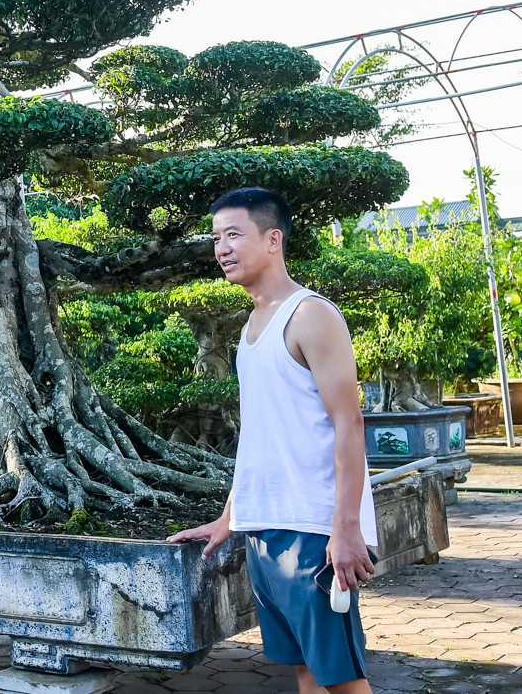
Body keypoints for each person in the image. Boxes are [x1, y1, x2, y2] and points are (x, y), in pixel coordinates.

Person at [169, 187, 379, 694]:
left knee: (342, 680)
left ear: (273, 239)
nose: (222, 248)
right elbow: (263, 434)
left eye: (234, 235)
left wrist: (346, 530)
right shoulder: (251, 326)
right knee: (305, 671)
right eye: (216, 238)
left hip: (312, 529)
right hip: (265, 527)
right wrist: (230, 516)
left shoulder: (310, 315)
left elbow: (349, 424)